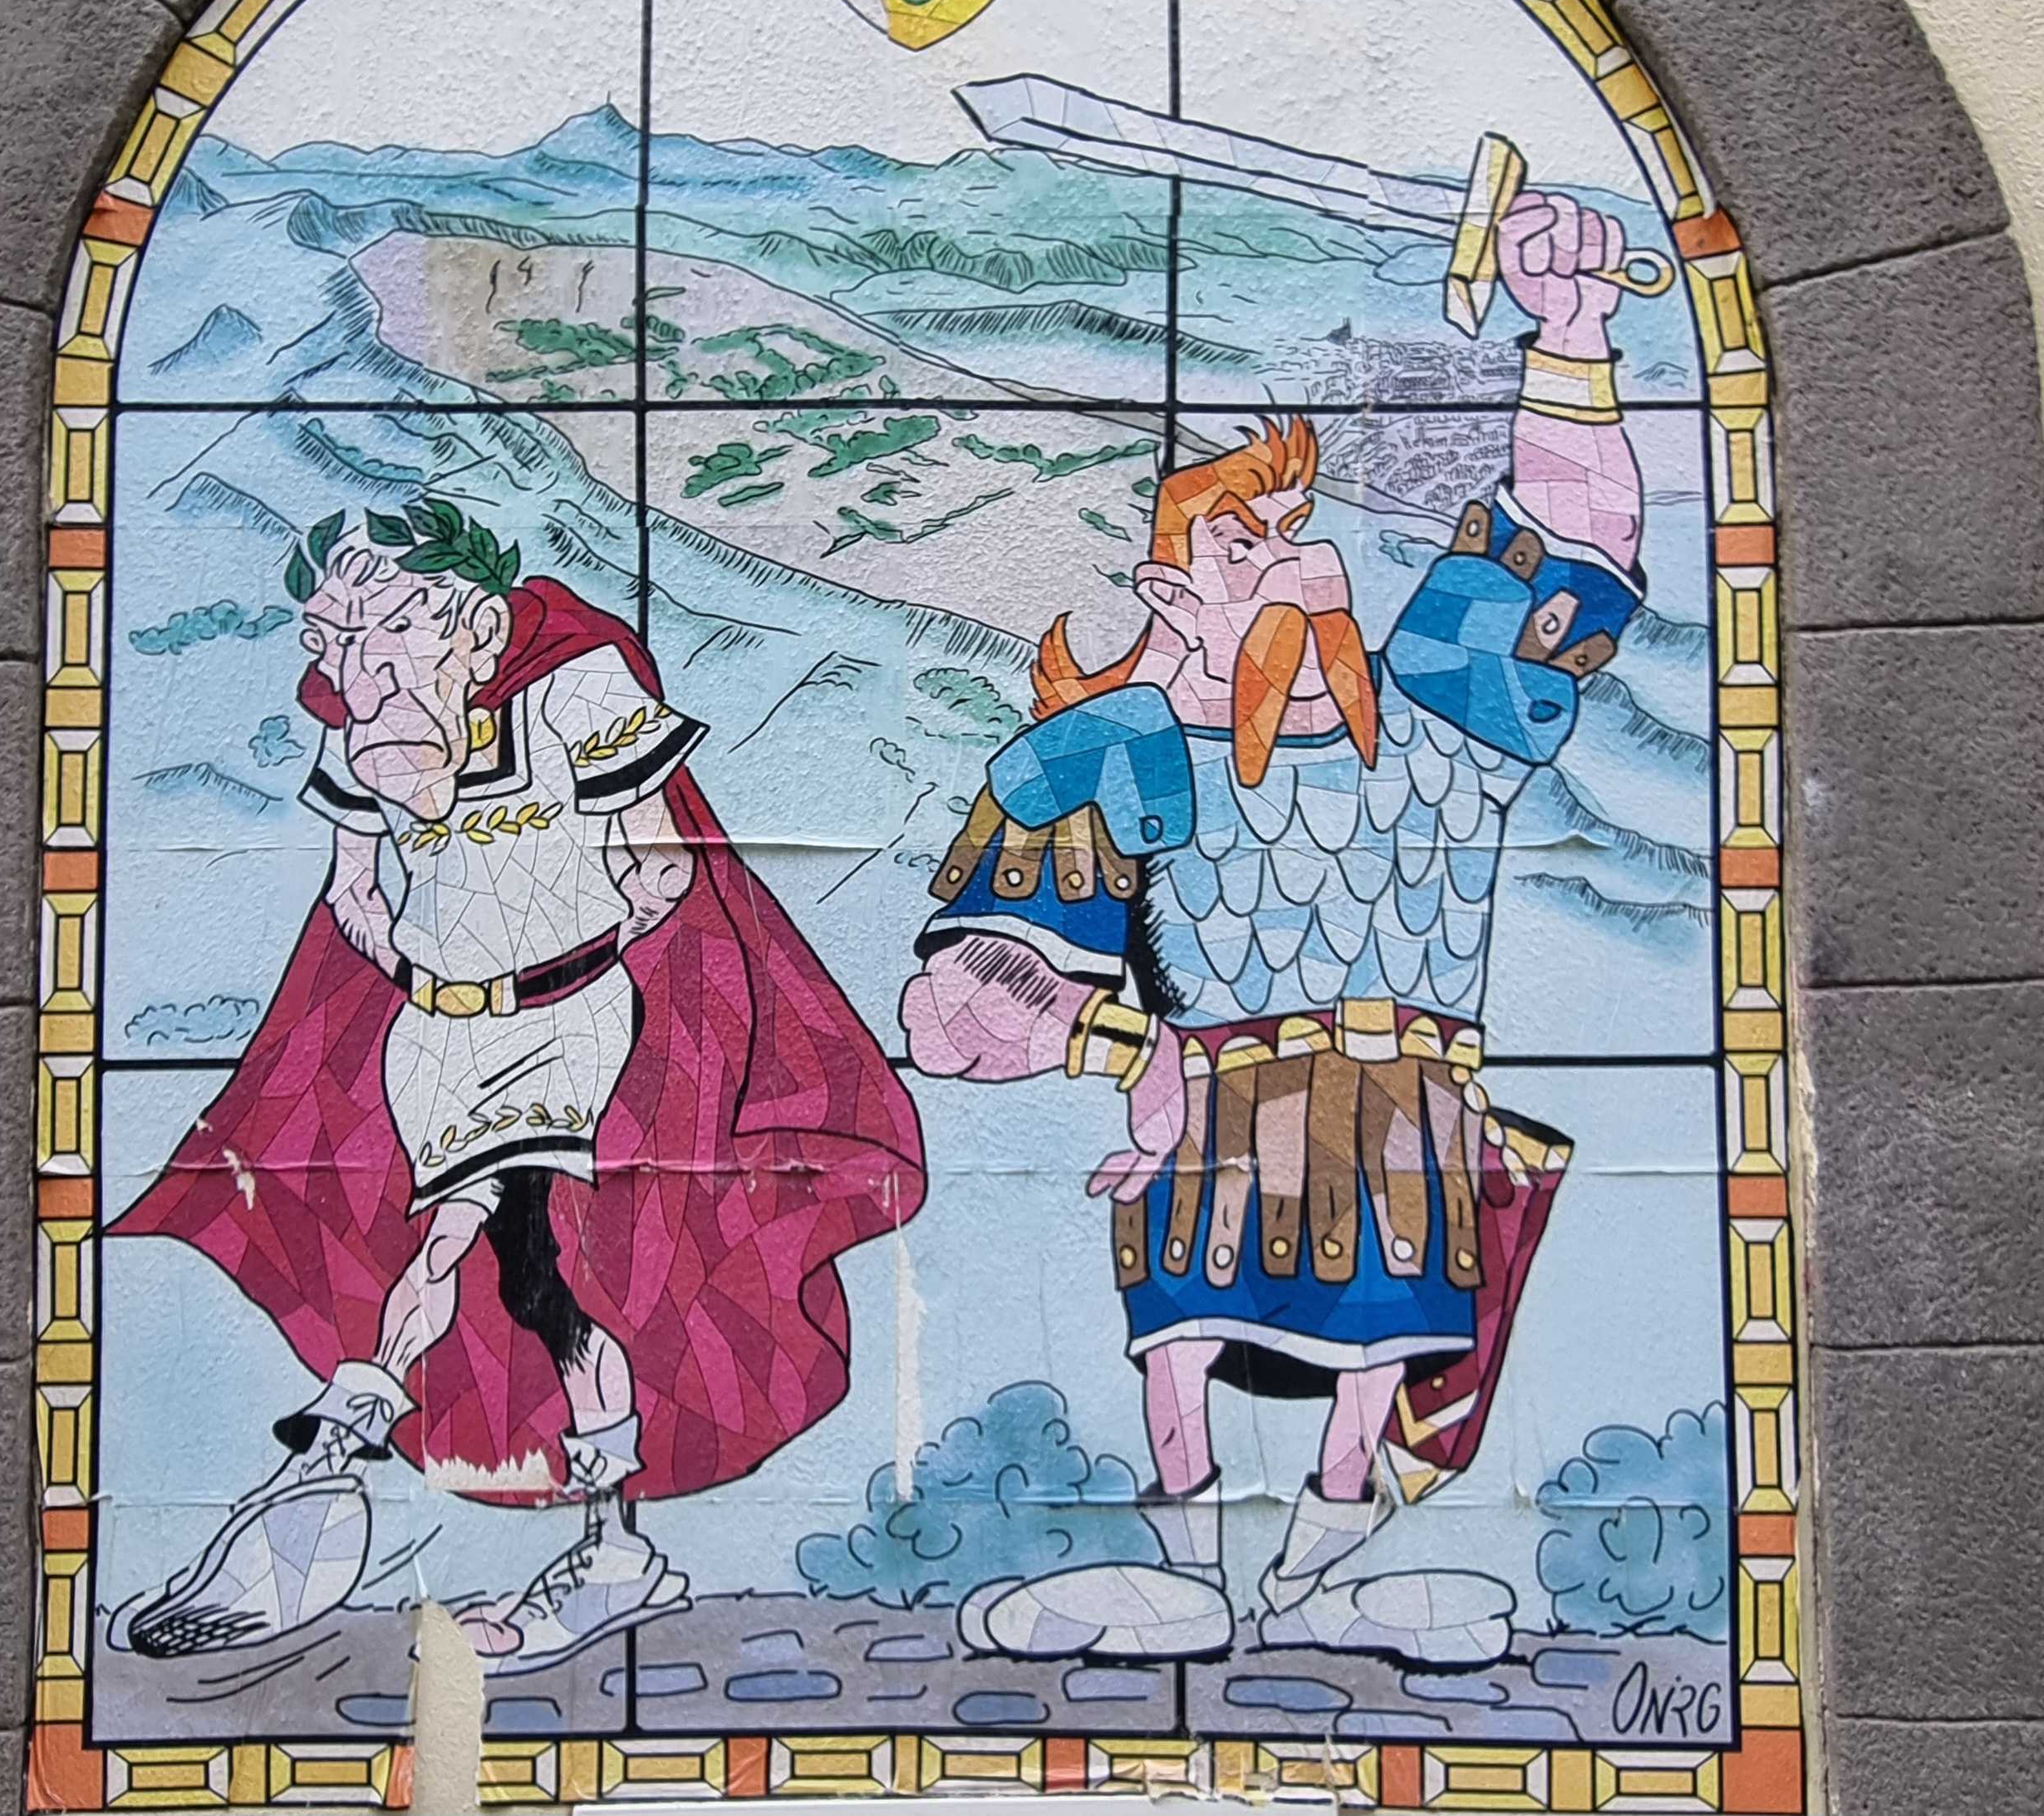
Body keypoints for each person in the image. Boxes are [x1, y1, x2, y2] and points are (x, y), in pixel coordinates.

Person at [901, 190, 1642, 1666]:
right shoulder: (1128, 754)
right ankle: (1186, 1575)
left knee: (1379, 1355)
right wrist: (1133, 1056)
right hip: (1219, 1129)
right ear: (1172, 592)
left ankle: (1316, 1578)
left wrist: (1571, 335)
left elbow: (1572, 551)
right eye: (1247, 545)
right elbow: (955, 1006)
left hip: (1406, 1127)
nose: (1300, 559)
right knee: (1181, 1347)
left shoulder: (1439, 719)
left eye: (1302, 531)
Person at [116, 499, 925, 1669]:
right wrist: (425, 970)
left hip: (570, 1024)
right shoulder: (367, 731)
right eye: (337, 639)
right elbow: (354, 893)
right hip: (438, 1038)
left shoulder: (577, 695)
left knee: (527, 1255)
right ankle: (421, 1480)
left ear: (472, 623)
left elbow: (662, 863)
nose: (362, 666)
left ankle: (426, 1469)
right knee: (469, 1252)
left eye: (391, 627)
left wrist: (581, 952)